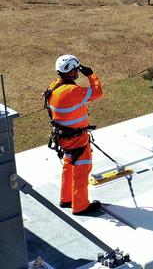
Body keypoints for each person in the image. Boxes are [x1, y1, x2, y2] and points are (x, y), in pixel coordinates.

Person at [44, 54, 103, 215]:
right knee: (81, 170)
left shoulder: (54, 87)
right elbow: (98, 92)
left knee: (69, 165)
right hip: (77, 139)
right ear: (71, 72)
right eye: (76, 70)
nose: (78, 72)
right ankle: (81, 206)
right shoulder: (72, 91)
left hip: (64, 138)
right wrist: (91, 74)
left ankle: (67, 199)